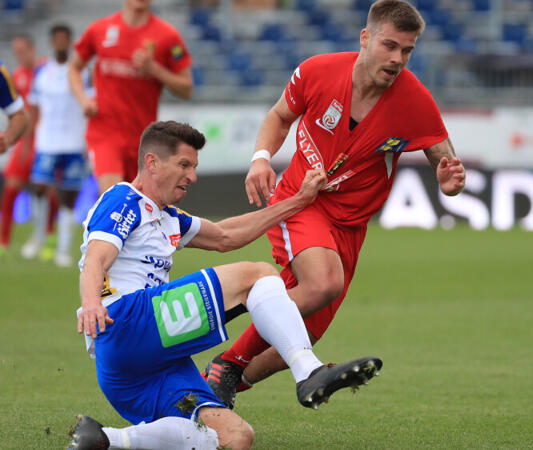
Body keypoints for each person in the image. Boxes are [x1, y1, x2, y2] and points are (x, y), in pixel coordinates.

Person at [202, 0, 465, 409]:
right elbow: (279, 116)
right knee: (323, 284)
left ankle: (202, 393)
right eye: (390, 46)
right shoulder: (318, 71)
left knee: (298, 338)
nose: (397, 59)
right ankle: (228, 363)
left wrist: (450, 182)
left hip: (350, 228)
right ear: (366, 38)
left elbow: (444, 160)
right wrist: (260, 159)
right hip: (302, 201)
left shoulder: (415, 100)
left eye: (407, 51)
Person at [66, 121, 381, 450]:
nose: (192, 176)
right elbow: (96, 258)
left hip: (139, 365)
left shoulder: (168, 216)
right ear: (152, 163)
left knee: (234, 437)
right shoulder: (124, 199)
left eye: (194, 167)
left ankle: (105, 439)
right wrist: (91, 303)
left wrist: (298, 202)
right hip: (127, 320)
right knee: (257, 274)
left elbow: (226, 236)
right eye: (184, 165)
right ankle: (307, 370)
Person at [68, 0, 193, 195]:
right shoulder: (99, 29)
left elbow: (187, 89)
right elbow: (74, 67)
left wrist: (155, 70)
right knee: (114, 194)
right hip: (105, 131)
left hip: (143, 137)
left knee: (138, 201)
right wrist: (84, 100)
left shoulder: (168, 36)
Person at [23, 24, 90, 267]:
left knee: (68, 197)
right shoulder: (42, 71)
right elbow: (33, 107)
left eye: (65, 39)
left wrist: (89, 141)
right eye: (57, 39)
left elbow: (90, 105)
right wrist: (28, 142)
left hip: (74, 142)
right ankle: (38, 237)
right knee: (39, 188)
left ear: (70, 42)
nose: (61, 43)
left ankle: (63, 250)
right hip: (47, 142)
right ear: (52, 42)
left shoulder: (82, 71)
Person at [1, 35, 56, 259]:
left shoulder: (47, 71)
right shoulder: (16, 76)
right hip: (26, 140)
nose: (19, 55)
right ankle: (4, 241)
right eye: (16, 51)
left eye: (22, 50)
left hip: (48, 139)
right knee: (11, 187)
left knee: (49, 190)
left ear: (32, 49)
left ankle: (49, 238)